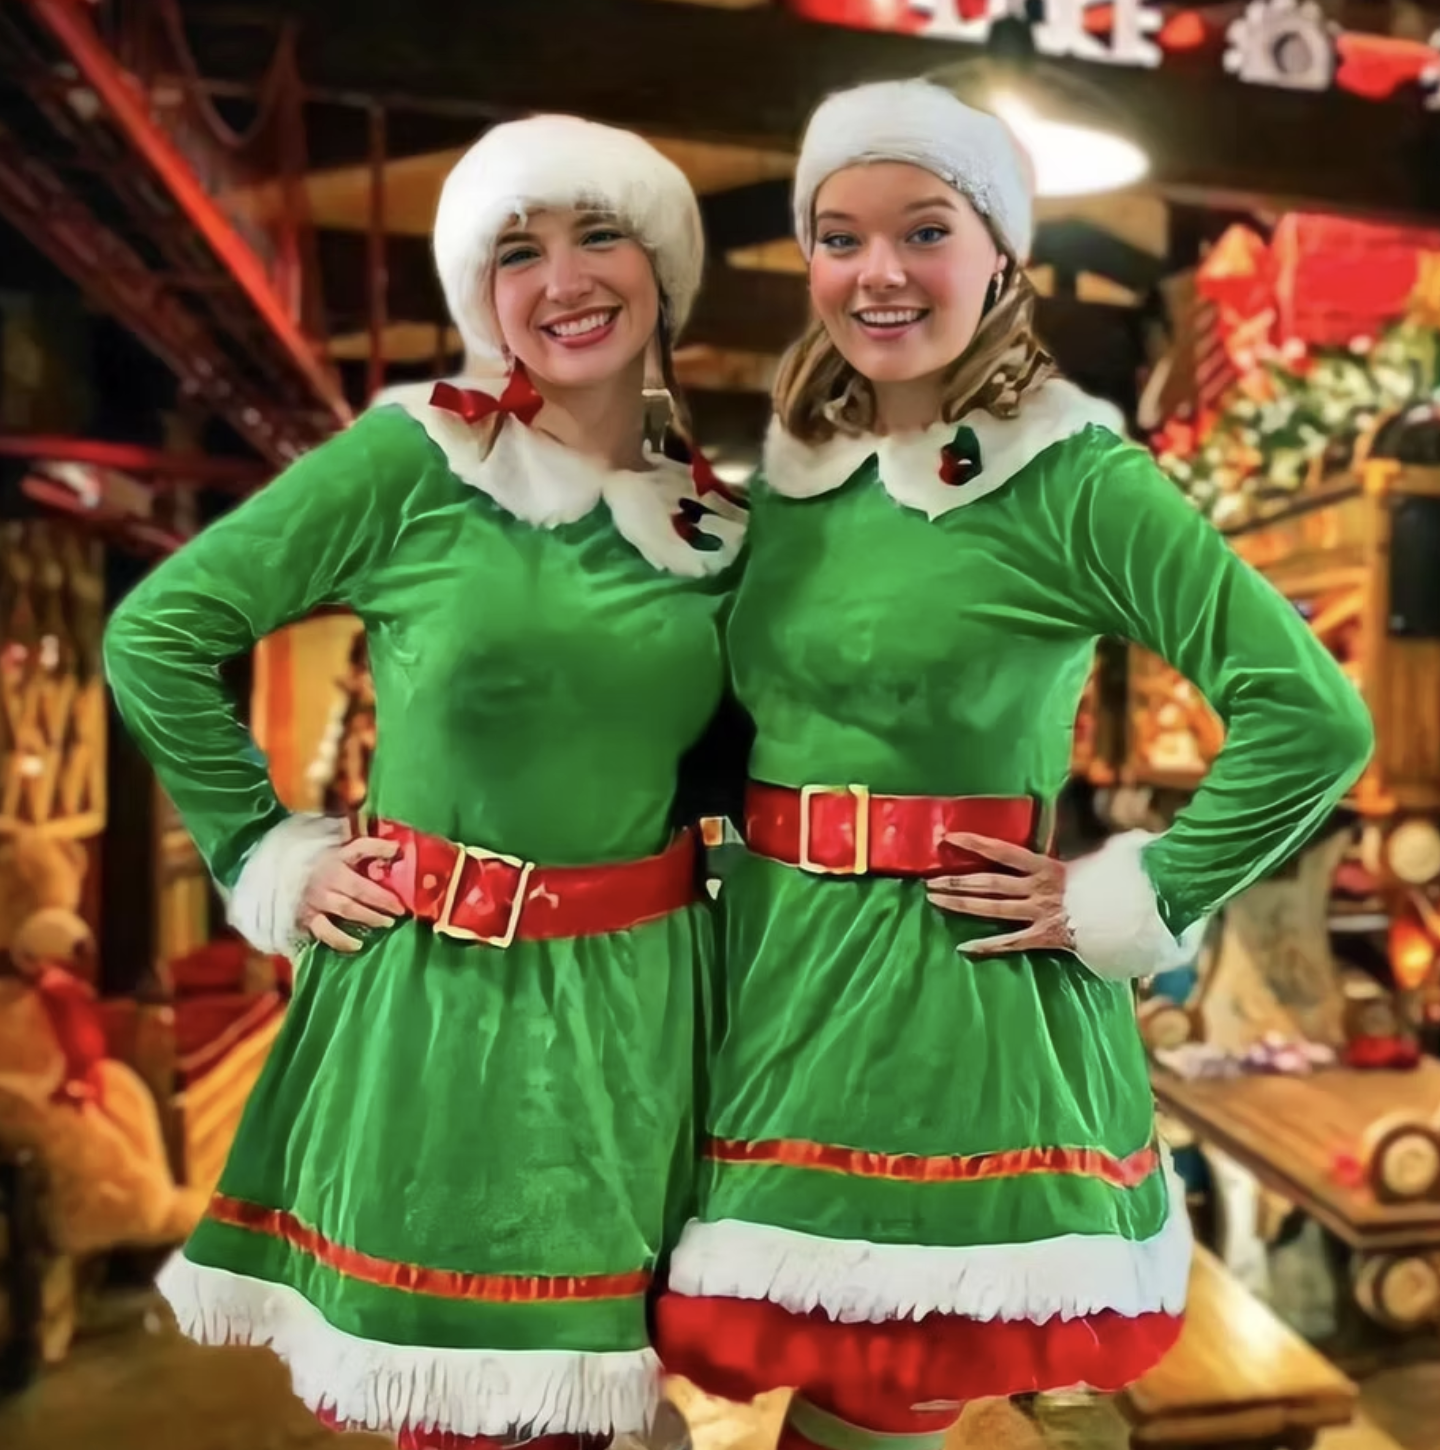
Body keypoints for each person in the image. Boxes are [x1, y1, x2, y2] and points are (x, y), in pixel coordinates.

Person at [655, 79, 1374, 1449]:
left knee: (884, 1389)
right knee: (799, 1371)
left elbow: (1311, 714)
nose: (878, 272)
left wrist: (1134, 890)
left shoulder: (1071, 475)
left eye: (924, 230)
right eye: (839, 234)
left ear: (1003, 254)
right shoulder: (799, 478)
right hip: (769, 967)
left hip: (946, 989)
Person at [103, 114, 746, 1449]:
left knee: (618, 1397)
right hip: (448, 999)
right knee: (465, 1409)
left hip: (650, 1001)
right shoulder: (417, 461)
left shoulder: (717, 523)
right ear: (481, 294)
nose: (564, 278)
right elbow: (157, 634)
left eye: (598, 234)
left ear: (662, 266)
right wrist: (265, 846)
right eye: (521, 249)